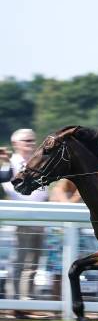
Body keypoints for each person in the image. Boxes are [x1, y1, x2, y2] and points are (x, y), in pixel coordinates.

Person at [0, 129, 49, 309]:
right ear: (16, 144)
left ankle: (26, 303)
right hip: (22, 219)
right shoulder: (11, 163)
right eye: (26, 140)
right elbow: (11, 189)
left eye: (32, 140)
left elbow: (44, 191)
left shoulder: (37, 162)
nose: (31, 143)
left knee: (34, 264)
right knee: (19, 262)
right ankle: (14, 303)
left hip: (40, 218)